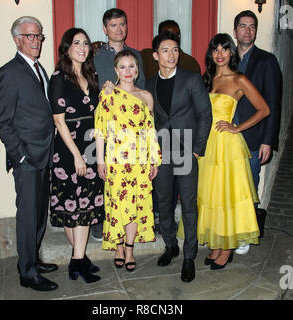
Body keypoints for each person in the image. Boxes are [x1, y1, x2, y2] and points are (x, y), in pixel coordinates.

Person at [178, 33, 270, 270]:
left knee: (225, 195)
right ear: (211, 54)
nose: (220, 54)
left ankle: (227, 248)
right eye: (215, 49)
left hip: (227, 146)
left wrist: (237, 127)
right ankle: (217, 244)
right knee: (210, 196)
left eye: (225, 49)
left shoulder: (239, 80)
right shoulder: (205, 79)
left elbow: (263, 109)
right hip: (205, 144)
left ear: (231, 53)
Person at [0, 16, 58, 291]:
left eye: (39, 36)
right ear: (17, 39)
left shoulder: (38, 68)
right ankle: (27, 272)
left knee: (40, 212)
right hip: (28, 158)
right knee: (28, 215)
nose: (37, 41)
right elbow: (4, 123)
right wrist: (20, 156)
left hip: (45, 154)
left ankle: (35, 258)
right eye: (30, 36)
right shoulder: (9, 72)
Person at [146, 32, 212, 282]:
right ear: (156, 55)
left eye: (175, 49)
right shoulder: (149, 84)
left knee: (188, 205)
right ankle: (170, 245)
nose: (172, 55)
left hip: (186, 149)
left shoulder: (192, 79)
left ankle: (188, 256)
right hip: (162, 152)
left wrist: (197, 148)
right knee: (163, 202)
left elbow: (205, 114)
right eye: (165, 50)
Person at [95, 49, 161, 272]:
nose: (127, 71)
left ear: (137, 69)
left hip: (139, 161)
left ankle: (130, 249)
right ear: (115, 70)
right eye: (122, 67)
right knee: (117, 204)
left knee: (135, 205)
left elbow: (150, 131)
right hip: (115, 160)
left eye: (131, 66)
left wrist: (154, 161)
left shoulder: (146, 96)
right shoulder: (108, 94)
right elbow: (100, 130)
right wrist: (100, 161)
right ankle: (119, 246)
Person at [48, 28, 104, 284]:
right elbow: (59, 121)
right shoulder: (59, 78)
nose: (82, 47)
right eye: (76, 43)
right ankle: (78, 261)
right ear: (66, 48)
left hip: (90, 148)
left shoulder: (91, 76)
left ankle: (78, 259)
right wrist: (77, 156)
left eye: (85, 43)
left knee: (83, 206)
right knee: (75, 207)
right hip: (69, 151)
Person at [91, 8, 146, 241]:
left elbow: (141, 87)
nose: (119, 29)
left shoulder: (136, 55)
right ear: (105, 29)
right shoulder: (95, 56)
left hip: (131, 127)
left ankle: (133, 228)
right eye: (113, 25)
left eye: (122, 24)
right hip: (106, 125)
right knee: (105, 179)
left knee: (132, 183)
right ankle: (104, 223)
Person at [233, 10, 282, 255]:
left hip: (253, 138)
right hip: (227, 140)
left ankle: (246, 235)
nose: (247, 31)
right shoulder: (226, 58)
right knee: (230, 188)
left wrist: (267, 141)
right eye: (243, 26)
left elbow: (273, 103)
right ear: (235, 31)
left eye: (252, 27)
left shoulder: (267, 61)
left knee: (249, 187)